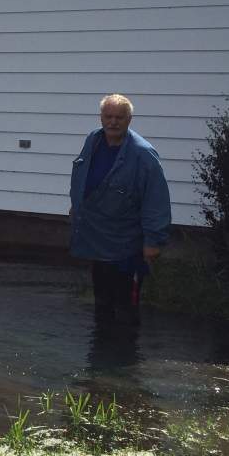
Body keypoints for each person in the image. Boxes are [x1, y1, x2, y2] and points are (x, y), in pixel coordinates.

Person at [69, 94, 171, 325]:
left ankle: (126, 357)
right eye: (108, 116)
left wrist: (153, 241)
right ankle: (101, 353)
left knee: (125, 307)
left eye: (119, 117)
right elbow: (82, 176)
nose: (113, 122)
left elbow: (156, 199)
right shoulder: (93, 141)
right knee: (102, 302)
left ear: (129, 119)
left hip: (128, 245)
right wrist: (77, 206)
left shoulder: (143, 154)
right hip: (97, 240)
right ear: (101, 117)